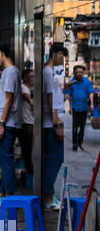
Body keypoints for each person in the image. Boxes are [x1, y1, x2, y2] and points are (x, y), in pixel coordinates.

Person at [0, 42, 22, 203]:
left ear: (1, 53)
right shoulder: (12, 71)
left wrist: (1, 124)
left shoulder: (9, 72)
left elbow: (9, 99)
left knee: (6, 160)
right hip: (9, 122)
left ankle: (9, 196)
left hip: (7, 123)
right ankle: (3, 194)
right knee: (4, 160)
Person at [42, 43, 66, 205]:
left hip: (49, 123)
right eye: (62, 56)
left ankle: (48, 194)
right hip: (51, 124)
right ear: (55, 54)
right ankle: (48, 196)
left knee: (52, 160)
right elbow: (51, 100)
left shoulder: (47, 72)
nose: (62, 60)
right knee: (54, 160)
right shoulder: (48, 73)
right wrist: (57, 124)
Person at [65, 64, 93, 152]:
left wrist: (91, 104)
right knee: (75, 126)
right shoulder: (71, 82)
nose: (79, 74)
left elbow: (91, 92)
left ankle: (80, 143)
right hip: (75, 107)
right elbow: (69, 96)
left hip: (84, 107)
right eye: (78, 72)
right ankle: (74, 144)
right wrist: (69, 107)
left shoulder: (87, 81)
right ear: (75, 73)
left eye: (81, 72)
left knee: (82, 127)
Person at [20, 67, 35, 180]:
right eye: (31, 77)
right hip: (27, 123)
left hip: (29, 121)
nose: (33, 79)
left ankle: (29, 169)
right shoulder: (24, 89)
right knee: (28, 149)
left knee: (29, 148)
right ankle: (30, 170)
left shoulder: (28, 89)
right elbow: (30, 101)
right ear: (25, 78)